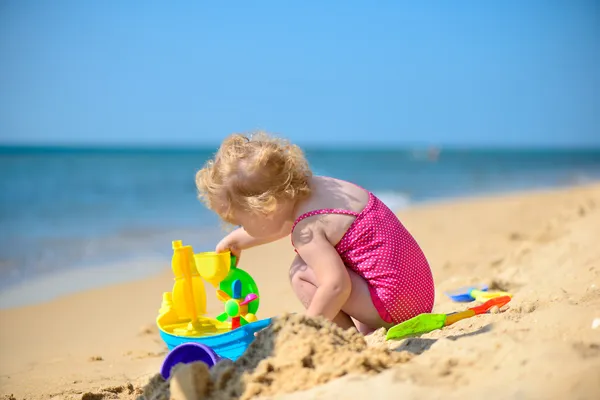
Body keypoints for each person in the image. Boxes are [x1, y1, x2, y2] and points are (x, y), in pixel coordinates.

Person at [195, 131, 434, 334]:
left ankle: (344, 337)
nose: (242, 228)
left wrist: (307, 326)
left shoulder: (305, 230)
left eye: (241, 223)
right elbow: (283, 221)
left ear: (266, 208)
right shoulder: (319, 189)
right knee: (334, 259)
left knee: (300, 272)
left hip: (396, 306)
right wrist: (237, 239)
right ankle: (369, 326)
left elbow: (336, 286)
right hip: (418, 295)